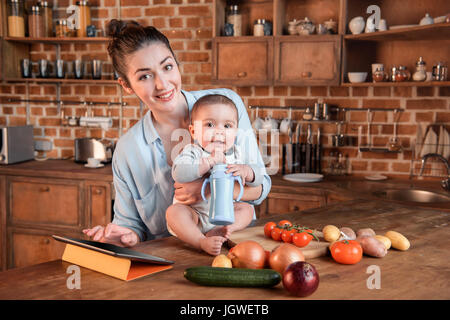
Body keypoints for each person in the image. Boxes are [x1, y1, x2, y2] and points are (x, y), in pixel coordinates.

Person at [82, 19, 271, 249]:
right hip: (174, 256)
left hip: (237, 245)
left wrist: (208, 189)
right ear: (127, 85)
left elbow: (262, 187)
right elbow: (130, 224)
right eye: (144, 76)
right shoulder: (127, 150)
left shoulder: (225, 104)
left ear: (176, 63)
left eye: (167, 67)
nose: (162, 84)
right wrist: (123, 236)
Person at [166, 94, 264, 255]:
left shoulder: (237, 155)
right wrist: (208, 162)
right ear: (193, 131)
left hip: (226, 212)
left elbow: (259, 178)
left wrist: (247, 171)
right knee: (174, 212)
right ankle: (200, 240)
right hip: (195, 214)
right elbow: (178, 173)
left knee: (246, 209)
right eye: (210, 124)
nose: (219, 131)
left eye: (227, 126)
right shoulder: (192, 151)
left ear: (236, 132)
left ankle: (226, 229)